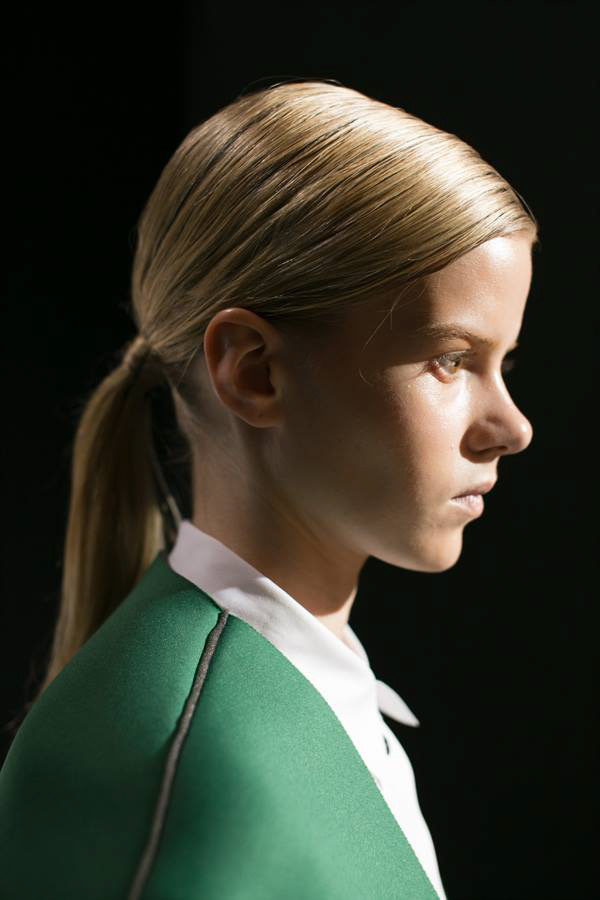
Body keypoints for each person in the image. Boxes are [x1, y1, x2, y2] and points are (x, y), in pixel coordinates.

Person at [0, 78, 539, 899]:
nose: (512, 426)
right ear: (253, 371)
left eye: (505, 363)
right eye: (451, 359)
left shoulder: (291, 695)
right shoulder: (195, 781)